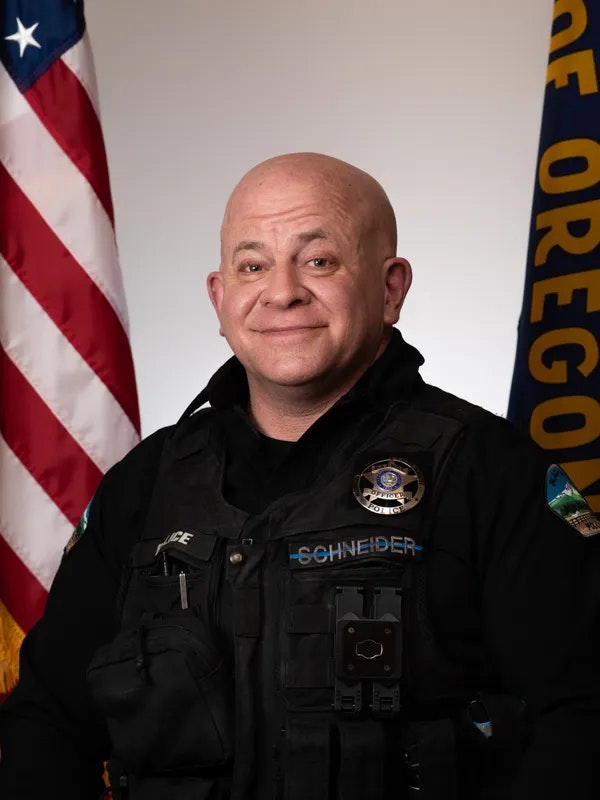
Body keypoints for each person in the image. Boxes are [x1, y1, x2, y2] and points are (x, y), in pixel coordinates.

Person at [0, 152, 599, 800]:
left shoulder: (488, 470)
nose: (282, 291)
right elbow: (48, 723)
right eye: (253, 265)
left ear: (391, 287)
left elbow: (585, 717)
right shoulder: (144, 487)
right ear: (220, 297)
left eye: (319, 261)